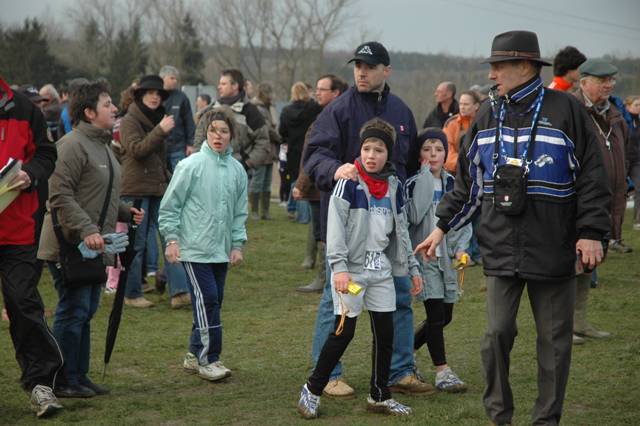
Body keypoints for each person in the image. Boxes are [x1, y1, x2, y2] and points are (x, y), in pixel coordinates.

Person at [414, 31, 611, 425]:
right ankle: (499, 416)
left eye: (498, 67)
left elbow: (593, 176)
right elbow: (469, 181)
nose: (491, 75)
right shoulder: (488, 113)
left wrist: (591, 232)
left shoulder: (565, 111)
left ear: (524, 67)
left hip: (553, 246)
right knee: (496, 335)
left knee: (554, 344)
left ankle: (546, 419)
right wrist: (440, 227)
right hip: (501, 247)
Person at [303, 41, 430, 398]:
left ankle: (400, 370)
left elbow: (410, 167)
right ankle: (327, 374)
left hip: (389, 227)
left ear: (386, 71)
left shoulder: (402, 112)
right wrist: (334, 168)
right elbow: (314, 156)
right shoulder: (338, 110)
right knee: (337, 299)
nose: (362, 71)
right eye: (358, 65)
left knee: (400, 295)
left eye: (370, 66)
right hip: (350, 227)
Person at [297, 118, 422, 419]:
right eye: (366, 148)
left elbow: (402, 231)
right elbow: (335, 229)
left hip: (381, 274)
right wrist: (338, 268)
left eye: (378, 150)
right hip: (351, 276)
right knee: (344, 330)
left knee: (385, 332)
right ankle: (312, 390)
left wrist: (413, 268)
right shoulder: (348, 183)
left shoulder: (394, 186)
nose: (371, 155)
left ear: (387, 154)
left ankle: (379, 395)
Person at [40, 81, 144, 398]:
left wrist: (125, 213)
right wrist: (87, 230)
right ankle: (62, 379)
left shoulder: (103, 147)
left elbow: (98, 195)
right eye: (107, 103)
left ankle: (78, 376)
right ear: (88, 112)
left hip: (94, 245)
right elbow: (59, 195)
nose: (115, 108)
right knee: (73, 311)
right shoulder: (71, 146)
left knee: (85, 311)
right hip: (68, 244)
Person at [159, 106, 248, 382]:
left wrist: (236, 244)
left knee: (213, 300)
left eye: (223, 131)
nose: (218, 136)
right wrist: (172, 239)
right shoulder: (190, 165)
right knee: (207, 299)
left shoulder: (237, 171)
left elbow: (239, 212)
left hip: (220, 251)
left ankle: (194, 352)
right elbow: (169, 206)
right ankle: (210, 359)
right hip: (194, 248)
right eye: (213, 131)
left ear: (231, 135)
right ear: (205, 133)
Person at [0, 76, 63, 418]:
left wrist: (31, 175)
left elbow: (45, 153)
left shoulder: (25, 108)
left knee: (24, 306)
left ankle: (41, 385)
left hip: (18, 231)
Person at [405, 128, 471, 393]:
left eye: (439, 149)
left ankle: (405, 352)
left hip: (446, 262)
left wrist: (460, 249)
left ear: (446, 153)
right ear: (419, 153)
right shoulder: (412, 183)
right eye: (427, 149)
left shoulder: (453, 183)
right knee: (434, 316)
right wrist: (423, 176)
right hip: (424, 258)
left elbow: (461, 220)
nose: (433, 154)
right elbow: (416, 214)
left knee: (446, 316)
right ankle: (443, 371)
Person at [119, 74, 191, 308]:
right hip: (136, 188)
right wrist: (160, 130)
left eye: (158, 93)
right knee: (137, 242)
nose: (154, 97)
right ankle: (131, 294)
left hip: (158, 186)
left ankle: (179, 292)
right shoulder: (130, 119)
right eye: (150, 92)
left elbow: (159, 158)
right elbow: (136, 150)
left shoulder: (160, 117)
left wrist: (169, 178)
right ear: (140, 95)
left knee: (171, 237)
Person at [295, 74, 348, 292]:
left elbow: (314, 156)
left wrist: (301, 184)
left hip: (323, 185)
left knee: (324, 232)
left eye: (322, 89)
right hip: (320, 183)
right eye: (316, 88)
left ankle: (324, 278)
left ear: (335, 93)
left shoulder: (332, 117)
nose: (317, 92)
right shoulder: (325, 114)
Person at [575, 60, 630, 255]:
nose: (609, 84)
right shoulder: (571, 113)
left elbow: (625, 156)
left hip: (608, 207)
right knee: (576, 276)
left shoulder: (617, 117)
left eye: (611, 79)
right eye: (602, 80)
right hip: (580, 211)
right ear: (583, 83)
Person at [279, 82, 322, 221]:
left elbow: (282, 131)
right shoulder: (314, 108)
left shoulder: (286, 111)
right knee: (306, 178)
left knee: (293, 179)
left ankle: (293, 209)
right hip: (308, 146)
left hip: (292, 148)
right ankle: (304, 216)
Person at [251, 82, 281, 220]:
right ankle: (255, 211)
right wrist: (279, 137)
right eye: (270, 93)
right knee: (258, 180)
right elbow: (267, 128)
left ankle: (265, 211)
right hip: (261, 148)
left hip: (271, 149)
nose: (272, 96)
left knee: (267, 181)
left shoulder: (270, 107)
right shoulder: (257, 107)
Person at [442, 90, 480, 174]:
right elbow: (447, 150)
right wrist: (464, 164)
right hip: (456, 171)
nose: (462, 107)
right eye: (461, 104)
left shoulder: (483, 122)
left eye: (466, 104)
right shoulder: (451, 123)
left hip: (479, 171)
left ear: (476, 106)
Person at [625, 95, 640, 231]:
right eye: (636, 105)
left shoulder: (638, 121)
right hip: (623, 160)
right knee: (618, 192)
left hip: (636, 161)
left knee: (639, 188)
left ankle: (638, 221)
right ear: (628, 106)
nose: (639, 107)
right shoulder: (623, 120)